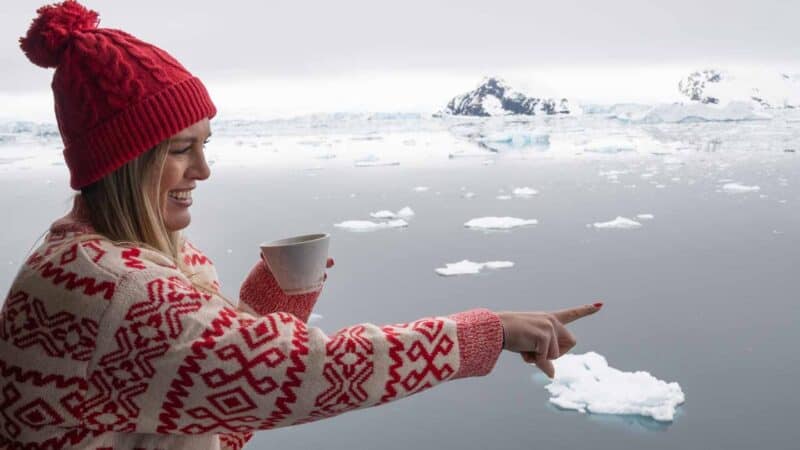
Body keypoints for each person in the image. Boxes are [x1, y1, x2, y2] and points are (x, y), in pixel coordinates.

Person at [0, 1, 602, 449]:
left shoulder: (136, 265)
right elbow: (304, 375)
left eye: (205, 145)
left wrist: (269, 306)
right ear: (123, 162)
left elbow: (225, 410)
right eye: (181, 148)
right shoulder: (105, 288)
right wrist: (487, 331)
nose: (203, 170)